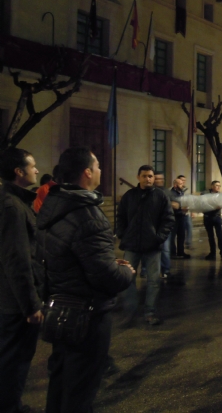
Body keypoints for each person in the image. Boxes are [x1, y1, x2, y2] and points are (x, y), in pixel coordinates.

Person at [37, 147, 134, 412]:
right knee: (80, 390)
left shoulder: (53, 205)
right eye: (99, 166)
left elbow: (71, 257)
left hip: (59, 308)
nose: (102, 171)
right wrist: (127, 271)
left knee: (60, 382)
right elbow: (107, 277)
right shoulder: (88, 216)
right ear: (87, 172)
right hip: (86, 317)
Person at [0, 148, 44, 413]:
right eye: (33, 166)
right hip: (15, 302)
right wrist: (31, 305)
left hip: (11, 298)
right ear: (19, 171)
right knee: (14, 359)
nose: (36, 170)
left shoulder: (15, 202)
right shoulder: (12, 207)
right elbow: (17, 260)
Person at [117, 166, 174, 326]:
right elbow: (120, 216)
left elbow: (168, 219)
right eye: (144, 176)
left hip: (152, 246)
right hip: (132, 245)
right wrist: (122, 234)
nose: (148, 179)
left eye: (150, 176)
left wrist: (159, 238)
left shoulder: (160, 196)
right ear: (138, 177)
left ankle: (150, 312)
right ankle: (130, 311)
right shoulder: (129, 196)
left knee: (154, 280)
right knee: (128, 279)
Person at [153, 173, 173, 278]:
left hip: (164, 225)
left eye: (162, 178)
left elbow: (173, 205)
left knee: (165, 249)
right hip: (152, 225)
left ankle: (166, 269)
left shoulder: (167, 192)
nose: (160, 180)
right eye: (157, 179)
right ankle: (147, 270)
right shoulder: (150, 192)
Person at [203, 180, 222, 261]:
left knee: (220, 235)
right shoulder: (206, 194)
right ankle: (212, 253)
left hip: (217, 217)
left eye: (219, 186)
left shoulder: (220, 195)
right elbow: (203, 203)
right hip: (208, 217)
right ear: (212, 186)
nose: (218, 187)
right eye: (216, 185)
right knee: (210, 236)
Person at [169, 177, 190, 259]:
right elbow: (173, 205)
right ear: (175, 185)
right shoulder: (171, 194)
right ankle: (173, 253)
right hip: (174, 217)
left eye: (182, 184)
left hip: (181, 216)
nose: (182, 185)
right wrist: (181, 208)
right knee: (172, 236)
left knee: (181, 235)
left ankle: (181, 252)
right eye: (180, 184)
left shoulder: (181, 192)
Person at [177, 175, 194, 249]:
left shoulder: (186, 190)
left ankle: (188, 243)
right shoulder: (174, 190)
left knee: (189, 227)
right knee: (180, 230)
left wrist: (192, 211)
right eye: (182, 180)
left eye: (184, 180)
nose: (183, 182)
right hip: (179, 212)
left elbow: (190, 200)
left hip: (187, 212)